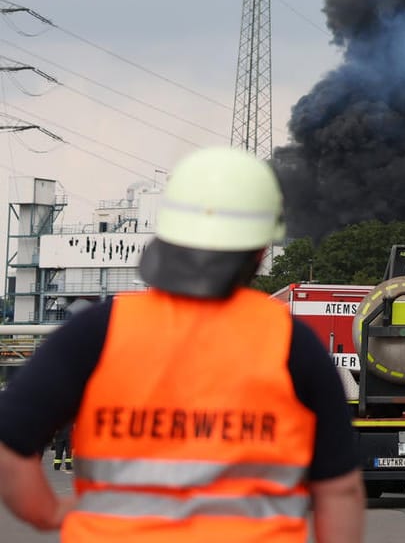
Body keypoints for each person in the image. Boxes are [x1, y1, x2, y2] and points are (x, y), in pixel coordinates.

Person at [0, 146, 365, 541]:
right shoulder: (293, 345)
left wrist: (50, 512)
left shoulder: (97, 333)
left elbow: (8, 449)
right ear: (261, 252)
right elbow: (339, 489)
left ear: (166, 236)